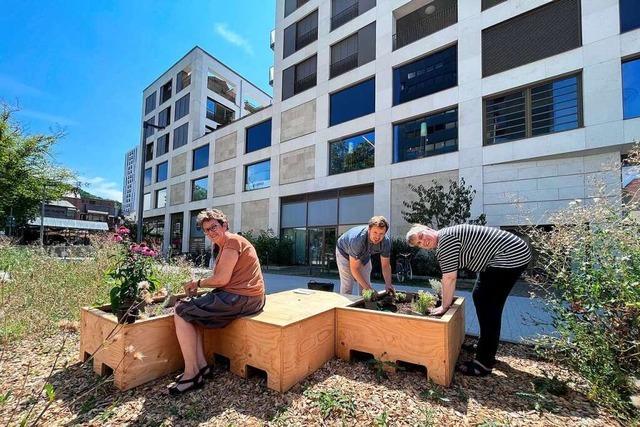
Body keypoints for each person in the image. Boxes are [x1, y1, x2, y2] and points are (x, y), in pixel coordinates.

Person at [406, 223, 531, 377]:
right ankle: (486, 348)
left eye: (421, 236)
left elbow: (450, 278)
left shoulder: (445, 241)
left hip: (510, 255)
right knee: (483, 299)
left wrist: (444, 306)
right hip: (508, 254)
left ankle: (484, 363)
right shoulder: (445, 236)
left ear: (428, 229)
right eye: (419, 244)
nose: (423, 242)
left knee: (487, 303)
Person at [168, 209, 265, 394]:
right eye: (206, 230)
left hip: (242, 298)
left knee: (181, 310)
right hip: (247, 297)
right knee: (190, 313)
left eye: (214, 227)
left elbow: (221, 280)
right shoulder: (225, 245)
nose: (211, 232)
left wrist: (196, 283)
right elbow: (224, 280)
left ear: (224, 225)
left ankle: (191, 375)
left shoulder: (232, 242)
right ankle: (202, 367)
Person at [335, 216, 394, 296]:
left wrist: (388, 284)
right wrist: (369, 289)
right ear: (369, 229)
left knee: (365, 284)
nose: (377, 237)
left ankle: (364, 306)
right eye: (375, 232)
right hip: (344, 252)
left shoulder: (385, 242)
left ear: (385, 233)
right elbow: (355, 269)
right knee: (348, 284)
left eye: (381, 234)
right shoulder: (358, 239)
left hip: (364, 254)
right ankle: (343, 306)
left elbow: (385, 265)